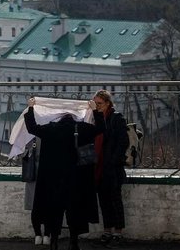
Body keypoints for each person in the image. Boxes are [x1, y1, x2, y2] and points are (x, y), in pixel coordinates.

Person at [24, 97, 104, 250]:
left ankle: (54, 241)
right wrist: (95, 110)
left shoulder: (50, 129)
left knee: (54, 211)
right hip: (77, 179)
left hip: (54, 179)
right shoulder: (83, 128)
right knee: (75, 211)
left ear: (59, 116)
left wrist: (31, 108)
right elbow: (101, 128)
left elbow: (31, 128)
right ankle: (73, 242)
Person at [92, 89, 129, 248]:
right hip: (99, 166)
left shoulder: (116, 118)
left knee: (115, 200)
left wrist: (113, 161)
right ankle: (107, 231)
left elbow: (123, 142)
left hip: (112, 168)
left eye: (99, 104)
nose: (97, 107)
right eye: (95, 104)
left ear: (108, 103)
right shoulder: (95, 118)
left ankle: (118, 233)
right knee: (104, 201)